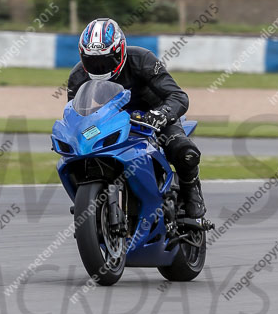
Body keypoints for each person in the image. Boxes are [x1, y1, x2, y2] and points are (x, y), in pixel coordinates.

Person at [67, 17, 206, 218]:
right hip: (111, 122)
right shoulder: (78, 76)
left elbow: (178, 96)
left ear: (120, 50)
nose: (99, 66)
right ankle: (91, 201)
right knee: (77, 157)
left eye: (106, 60)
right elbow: (75, 113)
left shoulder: (142, 59)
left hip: (152, 117)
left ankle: (191, 191)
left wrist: (161, 115)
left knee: (185, 152)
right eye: (92, 60)